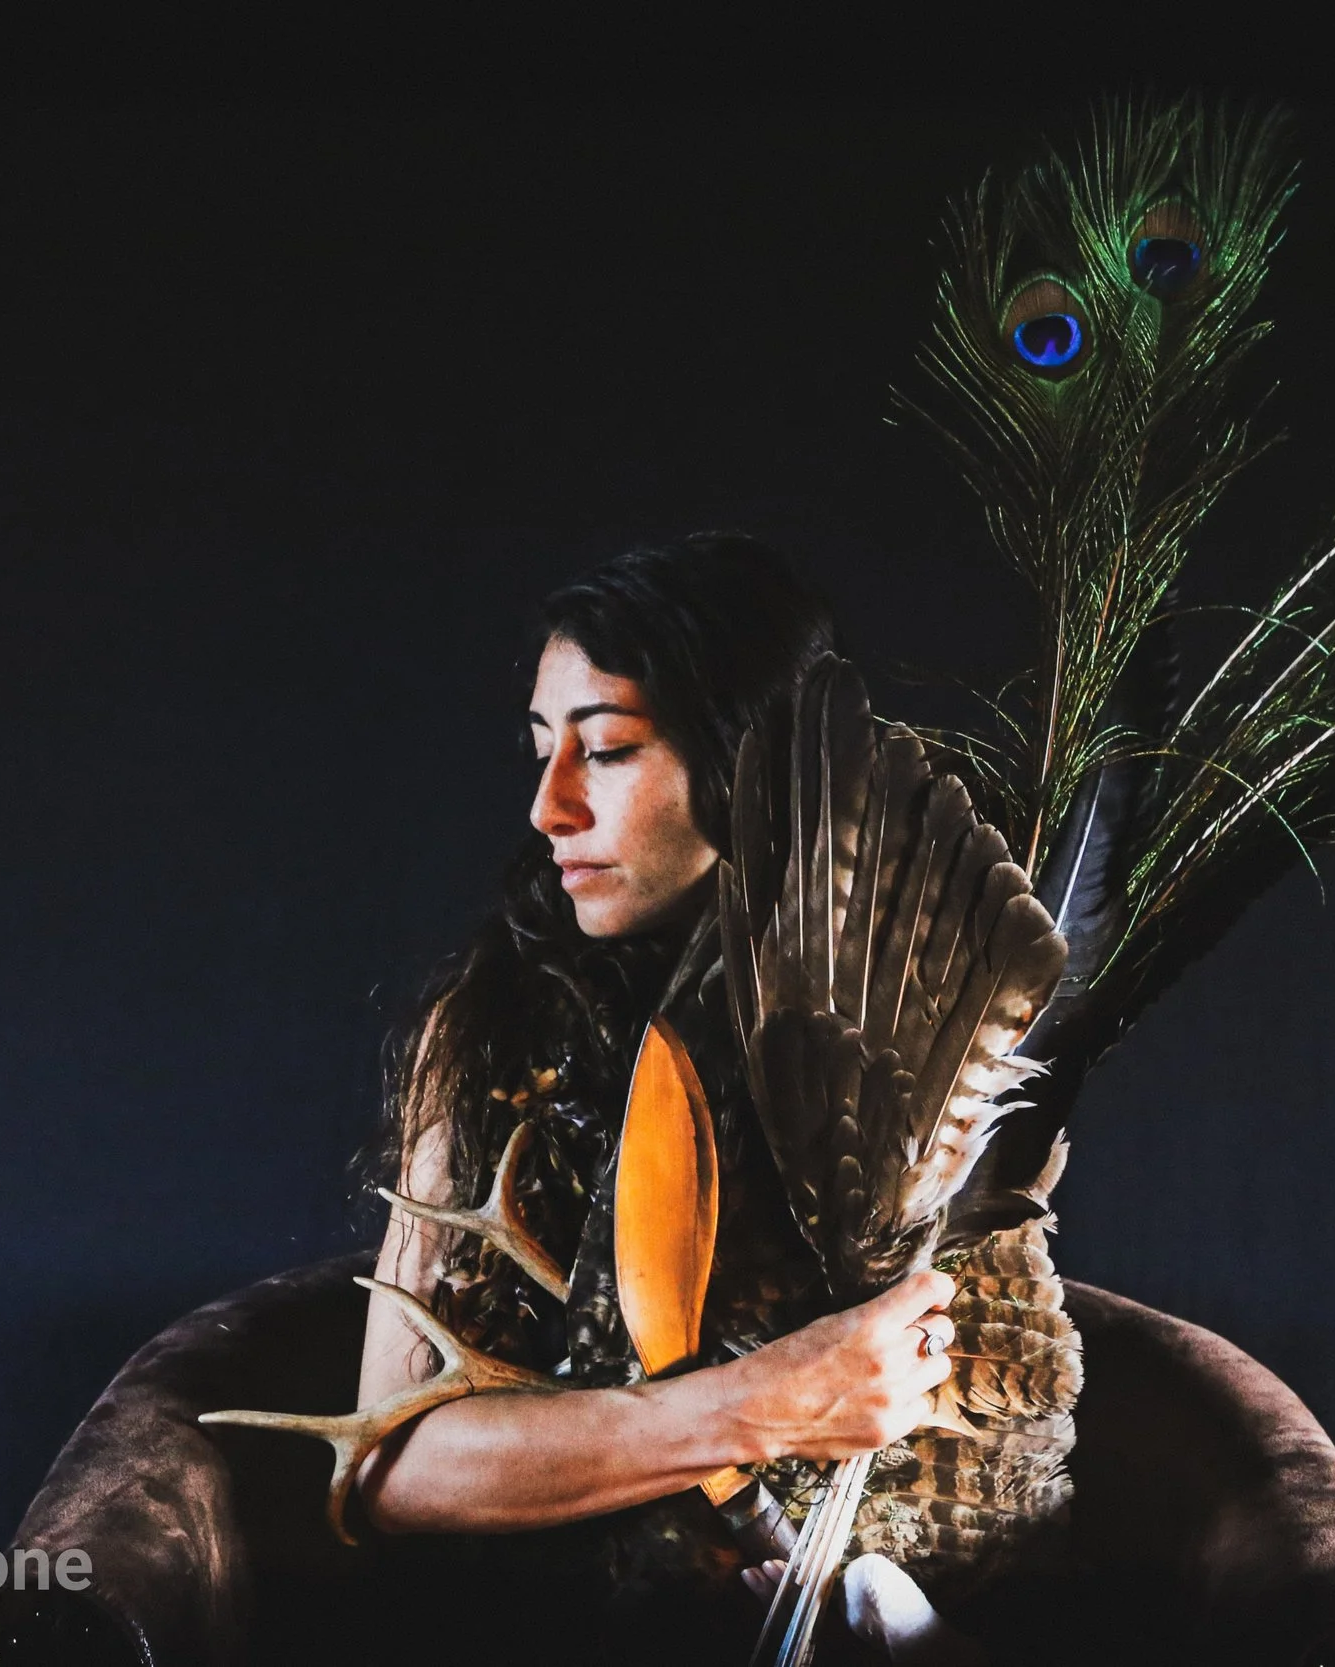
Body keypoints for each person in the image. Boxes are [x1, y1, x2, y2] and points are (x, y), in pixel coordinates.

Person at [350, 534, 980, 1659]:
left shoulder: (917, 1031)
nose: (548, 806)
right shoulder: (490, 1026)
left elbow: (978, 1442)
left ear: (748, 762)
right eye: (540, 748)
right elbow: (385, 1467)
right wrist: (750, 1404)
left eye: (606, 749)